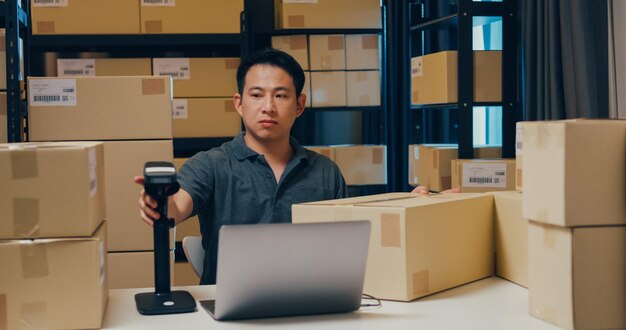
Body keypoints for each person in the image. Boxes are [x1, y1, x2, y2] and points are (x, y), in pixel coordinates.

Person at [135, 48, 348, 285]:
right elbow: (178, 204)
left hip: (311, 303)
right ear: (239, 103)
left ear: (299, 105)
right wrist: (160, 203)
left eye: (280, 96)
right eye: (256, 95)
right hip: (229, 310)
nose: (268, 106)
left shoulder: (326, 172)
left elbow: (345, 249)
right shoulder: (211, 164)